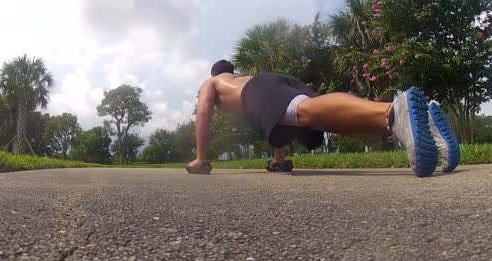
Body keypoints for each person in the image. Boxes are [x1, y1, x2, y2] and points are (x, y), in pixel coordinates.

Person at [186, 59, 460, 177]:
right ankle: (415, 124)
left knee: (303, 111)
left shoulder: (212, 83)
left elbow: (202, 114)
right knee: (322, 118)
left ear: (213, 73)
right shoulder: (241, 80)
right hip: (274, 82)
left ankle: (392, 109)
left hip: (262, 90)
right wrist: (278, 159)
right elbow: (274, 118)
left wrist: (200, 157)